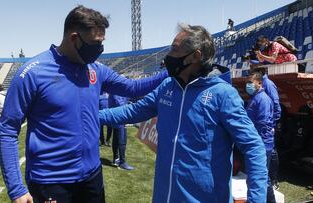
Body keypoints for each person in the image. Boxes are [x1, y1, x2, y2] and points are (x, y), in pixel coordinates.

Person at [0, 5, 168, 203]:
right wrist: (16, 189)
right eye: (95, 43)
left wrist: (170, 71)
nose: (100, 49)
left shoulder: (96, 70)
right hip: (51, 182)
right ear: (74, 38)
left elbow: (133, 88)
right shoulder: (32, 73)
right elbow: (7, 130)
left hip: (92, 177)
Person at [100, 24, 268, 202]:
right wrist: (92, 115)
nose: (168, 56)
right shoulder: (167, 86)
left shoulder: (223, 94)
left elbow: (253, 146)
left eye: (174, 49)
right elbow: (133, 111)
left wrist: (256, 199)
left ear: (195, 56)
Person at [245, 72, 276, 203]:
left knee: (261, 177)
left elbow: (263, 123)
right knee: (260, 176)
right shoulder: (254, 97)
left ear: (259, 83)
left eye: (251, 83)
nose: (248, 86)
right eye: (247, 83)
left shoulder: (262, 99)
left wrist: (255, 141)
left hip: (262, 143)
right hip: (257, 142)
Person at [251, 67, 281, 189]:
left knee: (271, 152)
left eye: (253, 68)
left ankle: (273, 180)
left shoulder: (268, 84)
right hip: (264, 125)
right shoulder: (258, 90)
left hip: (268, 125)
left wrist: (272, 125)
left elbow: (276, 106)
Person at [108, 94, 134, 170]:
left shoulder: (116, 89)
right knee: (122, 139)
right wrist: (128, 107)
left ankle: (115, 159)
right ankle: (122, 162)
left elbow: (129, 96)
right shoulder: (116, 90)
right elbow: (119, 102)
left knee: (116, 138)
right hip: (119, 116)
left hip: (117, 116)